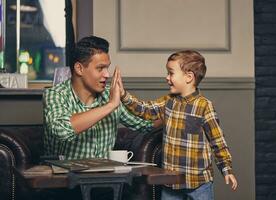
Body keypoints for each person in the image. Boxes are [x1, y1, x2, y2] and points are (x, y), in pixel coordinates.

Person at [116, 50, 238, 200]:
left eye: (171, 73)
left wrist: (227, 169)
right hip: (170, 183)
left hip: (199, 183)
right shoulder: (168, 101)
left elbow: (218, 142)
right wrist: (123, 95)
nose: (167, 77)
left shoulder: (204, 106)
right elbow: (145, 109)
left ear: (189, 77)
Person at [43, 36, 155, 160]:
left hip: (105, 176)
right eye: (100, 68)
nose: (107, 74)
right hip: (66, 176)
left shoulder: (110, 95)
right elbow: (62, 130)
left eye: (107, 68)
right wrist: (110, 105)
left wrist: (174, 108)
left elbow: (146, 124)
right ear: (79, 68)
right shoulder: (55, 94)